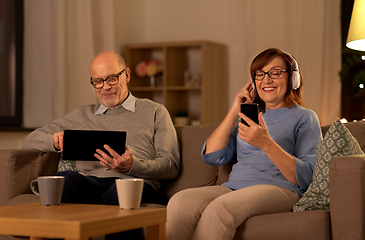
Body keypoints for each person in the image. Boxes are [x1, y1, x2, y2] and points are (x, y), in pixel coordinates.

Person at [166, 48, 322, 240]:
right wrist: (234, 111)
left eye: (275, 73)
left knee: (219, 209)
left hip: (281, 189)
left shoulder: (305, 117)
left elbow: (308, 176)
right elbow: (213, 156)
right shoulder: (247, 118)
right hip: (235, 187)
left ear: (293, 79)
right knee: (180, 201)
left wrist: (266, 144)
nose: (266, 80)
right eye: (260, 74)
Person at [22, 51, 180, 207]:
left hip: (135, 183)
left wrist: (132, 165)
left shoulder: (155, 111)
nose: (105, 87)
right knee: (65, 179)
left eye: (111, 78)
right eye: (98, 81)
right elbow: (29, 140)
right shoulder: (81, 114)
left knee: (118, 193)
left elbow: (170, 165)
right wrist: (55, 142)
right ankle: (63, 232)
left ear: (127, 75)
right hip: (91, 183)